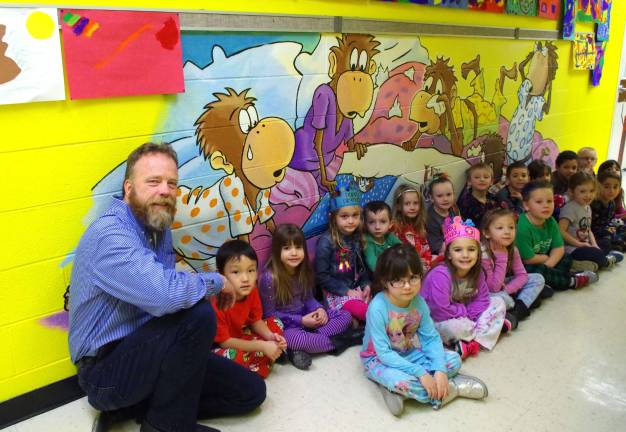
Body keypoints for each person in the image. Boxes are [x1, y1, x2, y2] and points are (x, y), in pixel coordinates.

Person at [68, 143, 265, 432]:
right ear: (128, 188)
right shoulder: (110, 235)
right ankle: (164, 426)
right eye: (153, 181)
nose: (165, 190)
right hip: (105, 373)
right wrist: (218, 281)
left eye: (172, 183)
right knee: (198, 314)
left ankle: (146, 408)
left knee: (250, 392)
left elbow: (168, 298)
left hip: (153, 352)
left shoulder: (158, 227)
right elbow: (164, 295)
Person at [361, 244, 488, 416]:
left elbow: (430, 338)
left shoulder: (419, 302)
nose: (407, 286)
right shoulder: (377, 307)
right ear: (385, 282)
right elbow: (383, 353)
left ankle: (416, 392)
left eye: (413, 278)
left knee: (453, 359)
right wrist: (421, 373)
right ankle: (452, 389)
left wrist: (440, 370)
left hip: (409, 353)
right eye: (398, 280)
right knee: (401, 381)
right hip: (378, 360)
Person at [258, 224, 358, 370]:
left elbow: (309, 298)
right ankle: (345, 340)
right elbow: (270, 316)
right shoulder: (269, 278)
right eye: (287, 248)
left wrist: (320, 309)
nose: (294, 253)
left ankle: (308, 345)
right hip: (288, 327)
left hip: (308, 319)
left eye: (298, 248)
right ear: (276, 251)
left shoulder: (303, 270)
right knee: (294, 339)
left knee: (345, 315)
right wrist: (301, 321)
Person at [421, 216, 509, 360]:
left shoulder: (477, 272)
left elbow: (483, 299)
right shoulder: (440, 275)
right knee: (454, 327)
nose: (465, 255)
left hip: (465, 314)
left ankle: (475, 340)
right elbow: (439, 310)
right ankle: (485, 330)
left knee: (498, 301)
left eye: (471, 249)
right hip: (437, 319)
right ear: (448, 254)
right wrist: (464, 312)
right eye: (458, 250)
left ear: (478, 252)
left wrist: (470, 316)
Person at [211, 240, 287, 378]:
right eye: (236, 272)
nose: (245, 278)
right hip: (223, 345)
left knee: (276, 323)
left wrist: (271, 337)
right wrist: (261, 346)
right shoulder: (217, 302)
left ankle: (265, 357)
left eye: (251, 270)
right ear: (220, 275)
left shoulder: (252, 291)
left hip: (243, 335)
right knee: (229, 359)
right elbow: (224, 342)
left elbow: (256, 321)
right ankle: (264, 360)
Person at [516, 180, 598, 291]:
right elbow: (528, 259)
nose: (546, 206)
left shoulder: (550, 221)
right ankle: (572, 281)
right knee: (535, 271)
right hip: (525, 265)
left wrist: (548, 265)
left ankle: (550, 281)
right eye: (539, 202)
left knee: (566, 258)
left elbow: (559, 248)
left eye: (549, 201)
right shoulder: (522, 227)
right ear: (526, 205)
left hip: (545, 261)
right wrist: (545, 260)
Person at [315, 181, 371, 323]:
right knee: (369, 313)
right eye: (344, 216)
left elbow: (363, 267)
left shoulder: (358, 237)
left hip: (356, 288)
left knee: (381, 302)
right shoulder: (326, 242)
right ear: (333, 217)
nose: (351, 221)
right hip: (337, 293)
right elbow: (322, 276)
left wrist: (366, 286)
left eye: (355, 215)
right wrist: (346, 292)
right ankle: (391, 329)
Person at [480, 209, 545, 329]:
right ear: (487, 233)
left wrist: (508, 289)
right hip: (486, 293)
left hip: (502, 287)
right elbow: (493, 288)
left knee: (538, 278)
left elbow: (522, 275)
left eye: (511, 227)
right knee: (501, 299)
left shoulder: (512, 249)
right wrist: (502, 257)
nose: (507, 232)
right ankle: (523, 303)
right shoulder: (483, 253)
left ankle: (516, 312)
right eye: (500, 228)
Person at [559, 172, 623, 270]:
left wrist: (594, 245)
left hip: (585, 244)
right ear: (572, 192)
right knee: (596, 254)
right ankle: (606, 261)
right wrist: (579, 244)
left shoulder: (588, 207)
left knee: (605, 243)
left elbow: (588, 230)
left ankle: (591, 261)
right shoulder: (569, 208)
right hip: (571, 248)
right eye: (583, 191)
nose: (588, 195)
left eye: (592, 191)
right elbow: (560, 231)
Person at [391, 184, 434, 270]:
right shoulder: (395, 228)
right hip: (405, 267)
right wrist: (417, 261)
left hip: (422, 264)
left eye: (416, 203)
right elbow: (397, 254)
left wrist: (427, 261)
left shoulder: (419, 226)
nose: (412, 207)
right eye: (407, 204)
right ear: (399, 206)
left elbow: (426, 247)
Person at [591, 170, 626, 252]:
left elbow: (611, 220)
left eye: (615, 187)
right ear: (598, 186)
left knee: (621, 228)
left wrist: (613, 227)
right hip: (595, 232)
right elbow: (590, 227)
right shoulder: (594, 203)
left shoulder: (612, 203)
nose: (612, 191)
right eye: (606, 187)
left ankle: (618, 243)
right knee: (607, 239)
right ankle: (616, 244)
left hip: (608, 228)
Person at [425, 173, 460, 256]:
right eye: (440, 196)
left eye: (449, 194)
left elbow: (460, 226)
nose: (445, 199)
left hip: (455, 240)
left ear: (453, 194)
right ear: (432, 198)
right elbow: (436, 245)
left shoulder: (453, 208)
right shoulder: (430, 218)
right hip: (440, 249)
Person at [363, 200, 402, 272]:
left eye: (383, 222)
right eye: (371, 222)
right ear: (365, 225)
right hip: (376, 276)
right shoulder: (367, 241)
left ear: (390, 224)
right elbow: (372, 263)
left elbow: (403, 249)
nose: (377, 227)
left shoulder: (389, 236)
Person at [457, 163, 497, 229]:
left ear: (491, 182)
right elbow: (465, 226)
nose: (482, 179)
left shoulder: (493, 198)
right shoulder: (466, 202)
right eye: (477, 177)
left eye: (486, 177)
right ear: (469, 181)